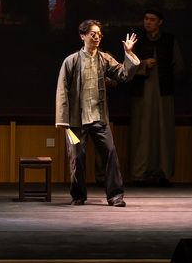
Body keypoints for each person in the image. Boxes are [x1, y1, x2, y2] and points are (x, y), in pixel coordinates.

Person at [56, 21, 139, 206]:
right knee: (76, 157)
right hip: (75, 122)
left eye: (99, 34)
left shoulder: (104, 59)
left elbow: (123, 74)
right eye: (93, 34)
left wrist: (128, 53)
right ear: (82, 36)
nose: (97, 37)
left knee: (110, 153)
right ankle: (78, 195)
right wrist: (62, 120)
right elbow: (62, 90)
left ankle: (115, 195)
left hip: (99, 119)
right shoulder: (71, 61)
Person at [129, 9, 184, 187]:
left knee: (163, 131)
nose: (148, 22)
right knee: (142, 131)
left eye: (152, 19)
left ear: (160, 22)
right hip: (142, 93)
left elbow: (178, 67)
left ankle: (163, 173)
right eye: (146, 19)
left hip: (163, 92)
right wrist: (143, 64)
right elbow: (125, 68)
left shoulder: (170, 40)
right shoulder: (136, 40)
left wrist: (168, 79)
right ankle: (139, 173)